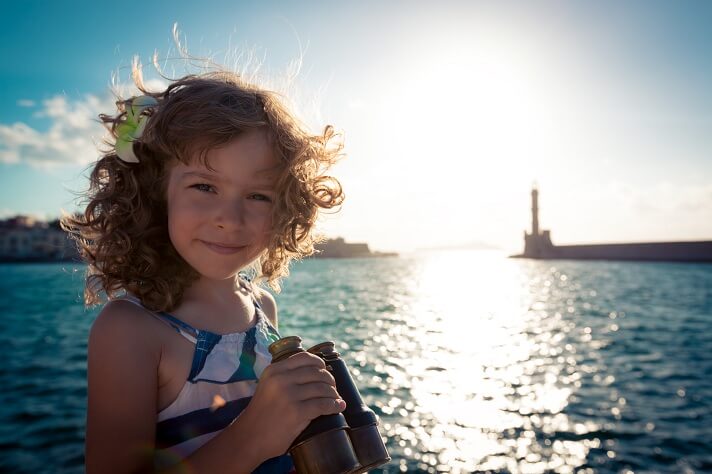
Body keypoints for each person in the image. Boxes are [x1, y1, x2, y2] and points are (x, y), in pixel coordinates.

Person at [63, 66, 346, 473]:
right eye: (204, 187)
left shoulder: (261, 305)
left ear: (286, 207)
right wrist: (254, 434)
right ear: (156, 193)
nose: (230, 219)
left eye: (258, 195)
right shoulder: (129, 329)